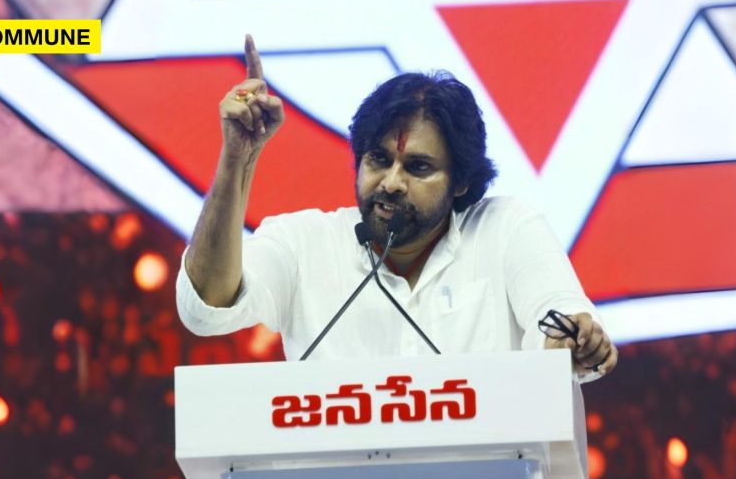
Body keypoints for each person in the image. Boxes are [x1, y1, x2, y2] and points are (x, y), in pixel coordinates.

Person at [176, 35, 617, 379]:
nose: (391, 182)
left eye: (418, 167)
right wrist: (237, 158)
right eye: (378, 159)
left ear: (461, 181)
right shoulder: (304, 243)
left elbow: (557, 313)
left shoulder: (505, 229)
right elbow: (206, 308)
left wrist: (571, 342)